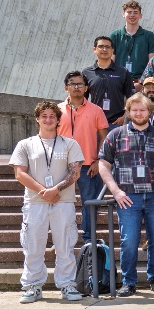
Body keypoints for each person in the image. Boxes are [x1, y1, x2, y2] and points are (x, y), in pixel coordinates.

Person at [11, 101, 85, 304]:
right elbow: (19, 173)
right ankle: (32, 286)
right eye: (44, 116)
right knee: (33, 246)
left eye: (52, 116)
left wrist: (56, 189)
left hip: (63, 201)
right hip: (35, 202)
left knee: (65, 245)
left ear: (58, 120)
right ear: (37, 119)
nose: (48, 119)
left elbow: (75, 172)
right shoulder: (25, 144)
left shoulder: (70, 143)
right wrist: (44, 191)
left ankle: (67, 285)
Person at [97, 93, 154, 297]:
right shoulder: (116, 135)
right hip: (128, 196)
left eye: (143, 110)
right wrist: (115, 191)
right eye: (134, 110)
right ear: (128, 112)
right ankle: (129, 282)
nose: (138, 113)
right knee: (129, 240)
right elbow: (103, 164)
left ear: (150, 111)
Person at [56, 71, 108, 239]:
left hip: (88, 165)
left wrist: (98, 161)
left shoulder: (96, 110)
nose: (76, 87)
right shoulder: (56, 110)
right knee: (60, 203)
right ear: (66, 87)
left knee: (89, 203)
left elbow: (104, 137)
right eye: (72, 84)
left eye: (80, 84)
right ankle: (61, 237)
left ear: (86, 88)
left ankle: (88, 239)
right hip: (62, 165)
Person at [83, 35, 134, 126]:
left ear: (112, 50)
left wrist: (125, 116)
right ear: (94, 49)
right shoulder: (87, 73)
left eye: (107, 47)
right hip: (94, 123)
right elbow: (83, 99)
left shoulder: (123, 72)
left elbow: (132, 97)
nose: (104, 49)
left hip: (117, 123)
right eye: (101, 46)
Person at [110, 0, 154, 91]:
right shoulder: (115, 35)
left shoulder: (149, 36)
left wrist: (141, 83)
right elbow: (111, 63)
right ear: (123, 14)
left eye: (135, 12)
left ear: (140, 16)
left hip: (142, 84)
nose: (132, 15)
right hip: (119, 83)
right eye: (129, 12)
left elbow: (153, 64)